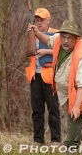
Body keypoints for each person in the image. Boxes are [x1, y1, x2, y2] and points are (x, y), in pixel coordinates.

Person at [27, 20, 82, 147]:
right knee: (78, 121)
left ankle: (74, 145)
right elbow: (49, 40)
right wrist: (37, 33)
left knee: (77, 119)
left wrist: (77, 106)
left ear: (76, 37)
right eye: (63, 37)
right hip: (69, 91)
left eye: (69, 38)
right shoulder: (58, 40)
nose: (65, 40)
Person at [25, 8, 61, 146]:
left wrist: (47, 51)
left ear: (48, 20)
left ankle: (56, 140)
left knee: (53, 109)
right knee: (37, 110)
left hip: (50, 77)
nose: (39, 23)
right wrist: (30, 34)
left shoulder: (56, 34)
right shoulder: (33, 34)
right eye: (37, 20)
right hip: (35, 76)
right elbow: (29, 53)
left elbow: (62, 52)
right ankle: (38, 140)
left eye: (42, 20)